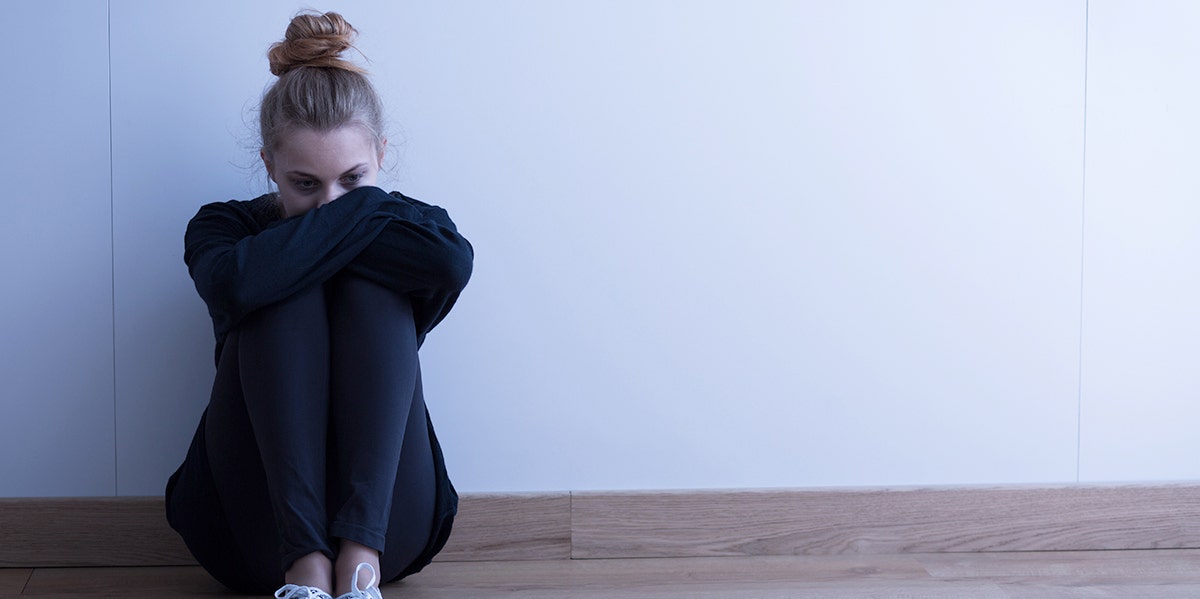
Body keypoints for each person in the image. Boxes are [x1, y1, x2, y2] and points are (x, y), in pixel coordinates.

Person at [164, 11, 473, 599]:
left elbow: (451, 264)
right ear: (269, 167)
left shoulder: (418, 232)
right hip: (248, 532)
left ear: (382, 154)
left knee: (355, 283)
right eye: (305, 184)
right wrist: (360, 212)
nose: (330, 203)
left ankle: (358, 560)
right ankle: (303, 561)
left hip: (392, 529)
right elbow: (232, 284)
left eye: (353, 180)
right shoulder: (224, 225)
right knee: (272, 281)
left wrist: (325, 224)